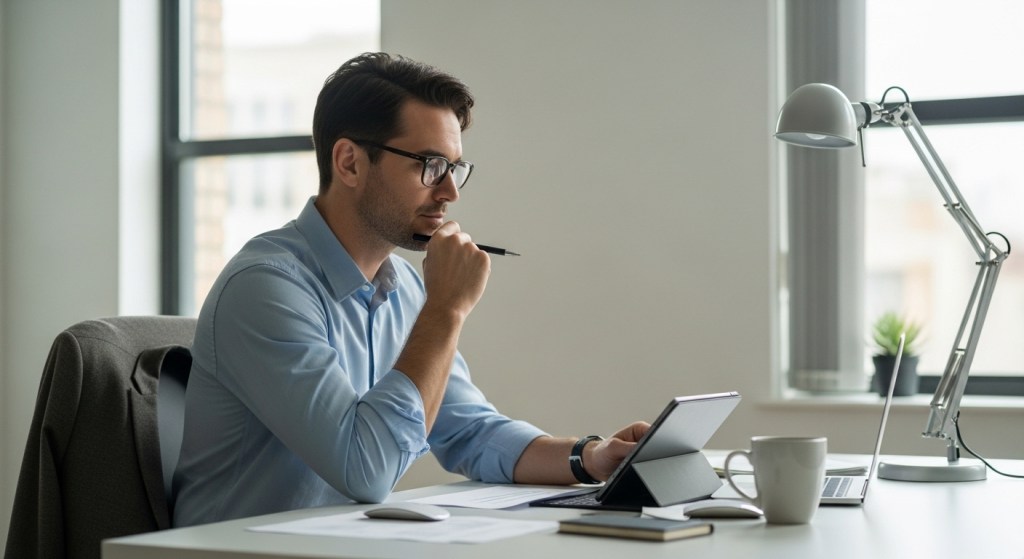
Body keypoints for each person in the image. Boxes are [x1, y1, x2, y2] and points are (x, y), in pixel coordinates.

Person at [172, 52, 650, 527]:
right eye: (430, 164)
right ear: (350, 163)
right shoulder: (266, 288)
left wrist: (590, 456)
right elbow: (366, 471)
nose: (450, 192)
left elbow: (470, 431)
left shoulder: (401, 289)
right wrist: (446, 309)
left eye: (455, 168)